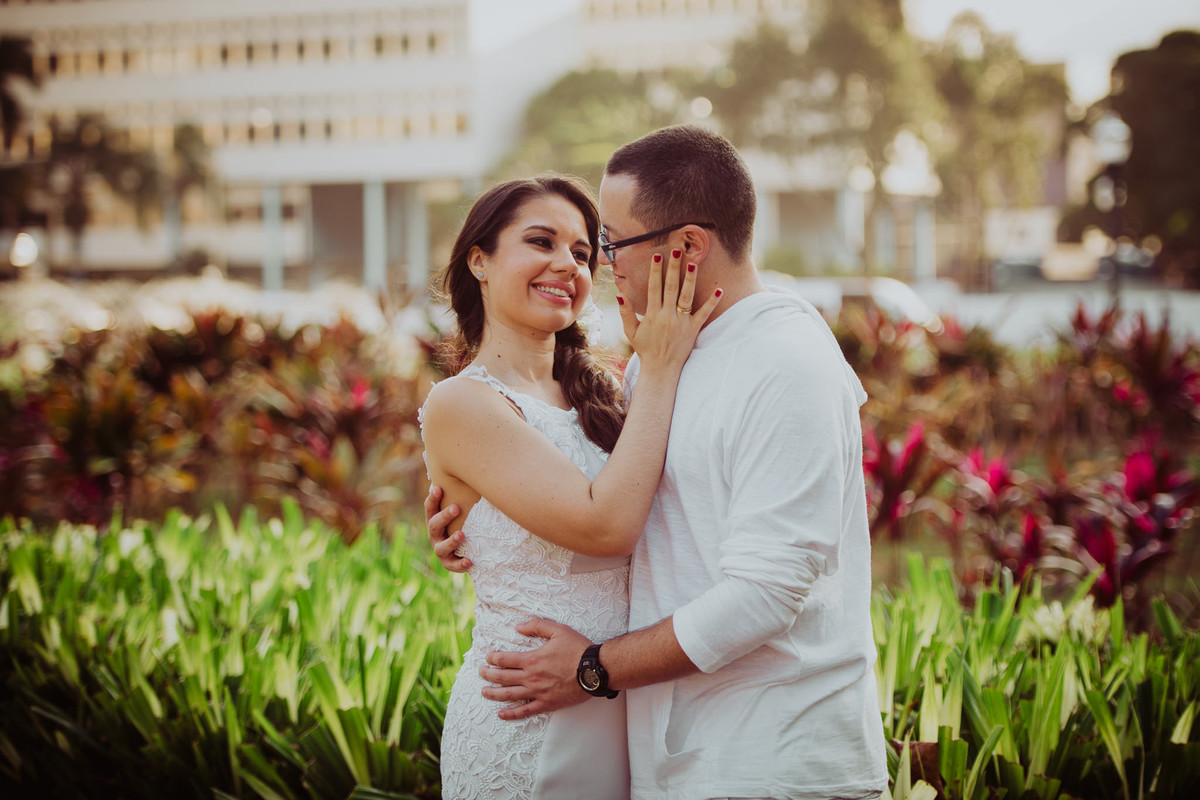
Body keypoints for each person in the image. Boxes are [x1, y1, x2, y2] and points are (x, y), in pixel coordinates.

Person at [427, 126, 888, 800]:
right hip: (652, 746)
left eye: (604, 246)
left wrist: (593, 668)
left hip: (771, 757)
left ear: (688, 247)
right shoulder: (657, 362)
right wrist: (483, 517)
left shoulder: (784, 363)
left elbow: (767, 590)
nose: (597, 266)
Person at [419, 173, 720, 800]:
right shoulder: (462, 403)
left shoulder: (605, 395)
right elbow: (605, 528)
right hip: (526, 717)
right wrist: (661, 365)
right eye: (541, 242)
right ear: (479, 259)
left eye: (582, 253)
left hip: (619, 701)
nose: (567, 265)